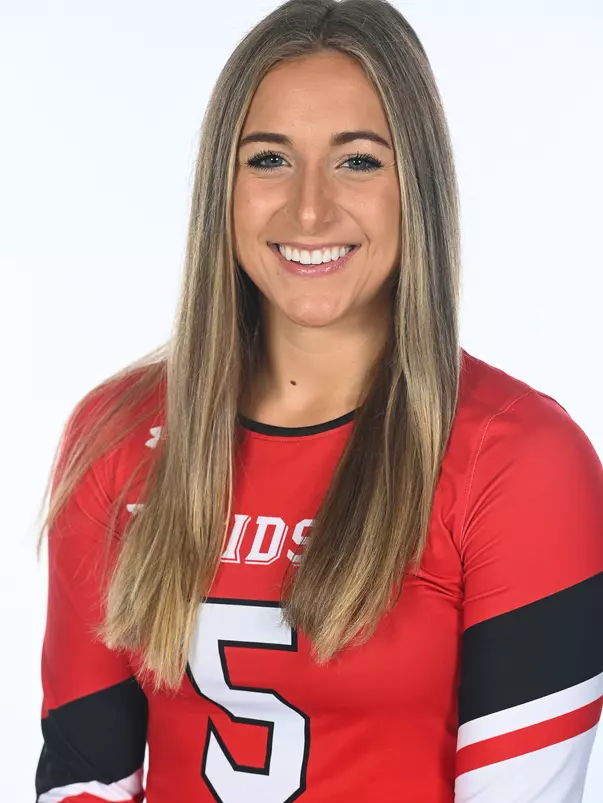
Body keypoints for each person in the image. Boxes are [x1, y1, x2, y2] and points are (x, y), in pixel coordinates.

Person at [34, 0, 603, 801]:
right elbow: (82, 780)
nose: (308, 209)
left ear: (418, 185)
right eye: (267, 159)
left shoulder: (522, 461)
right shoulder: (115, 436)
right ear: (219, 187)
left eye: (358, 161)